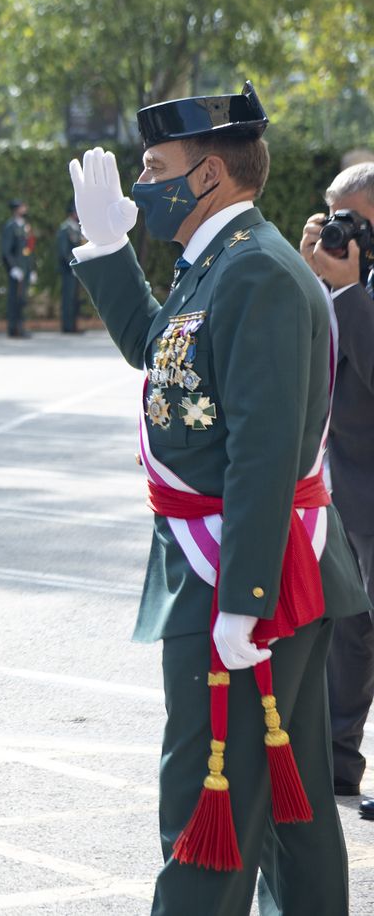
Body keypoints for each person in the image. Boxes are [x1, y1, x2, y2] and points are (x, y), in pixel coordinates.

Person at [68, 81, 366, 914]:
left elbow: (263, 452)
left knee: (215, 808)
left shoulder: (257, 272)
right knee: (290, 804)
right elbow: (158, 354)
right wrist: (106, 248)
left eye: (155, 168)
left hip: (245, 574)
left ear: (209, 176)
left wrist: (244, 600)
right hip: (239, 563)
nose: (142, 185)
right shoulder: (223, 265)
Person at [298, 162, 374, 820]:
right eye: (334, 217)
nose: (342, 231)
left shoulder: (360, 290)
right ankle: (335, 763)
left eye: (355, 220)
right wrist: (311, 278)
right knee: (348, 632)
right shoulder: (337, 280)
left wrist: (351, 293)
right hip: (341, 487)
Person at [0, 198, 34, 338]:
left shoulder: (25, 226)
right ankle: (13, 328)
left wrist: (31, 268)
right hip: (16, 270)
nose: (25, 209)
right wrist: (13, 267)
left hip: (25, 268)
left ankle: (21, 327)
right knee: (14, 300)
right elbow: (6, 250)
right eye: (22, 207)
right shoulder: (10, 226)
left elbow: (29, 249)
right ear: (16, 210)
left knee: (22, 300)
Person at [57, 203, 85, 333]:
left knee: (75, 299)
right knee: (68, 299)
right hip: (68, 269)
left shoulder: (76, 228)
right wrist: (72, 264)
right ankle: (67, 326)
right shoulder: (65, 228)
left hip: (76, 269)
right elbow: (64, 251)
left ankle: (73, 325)